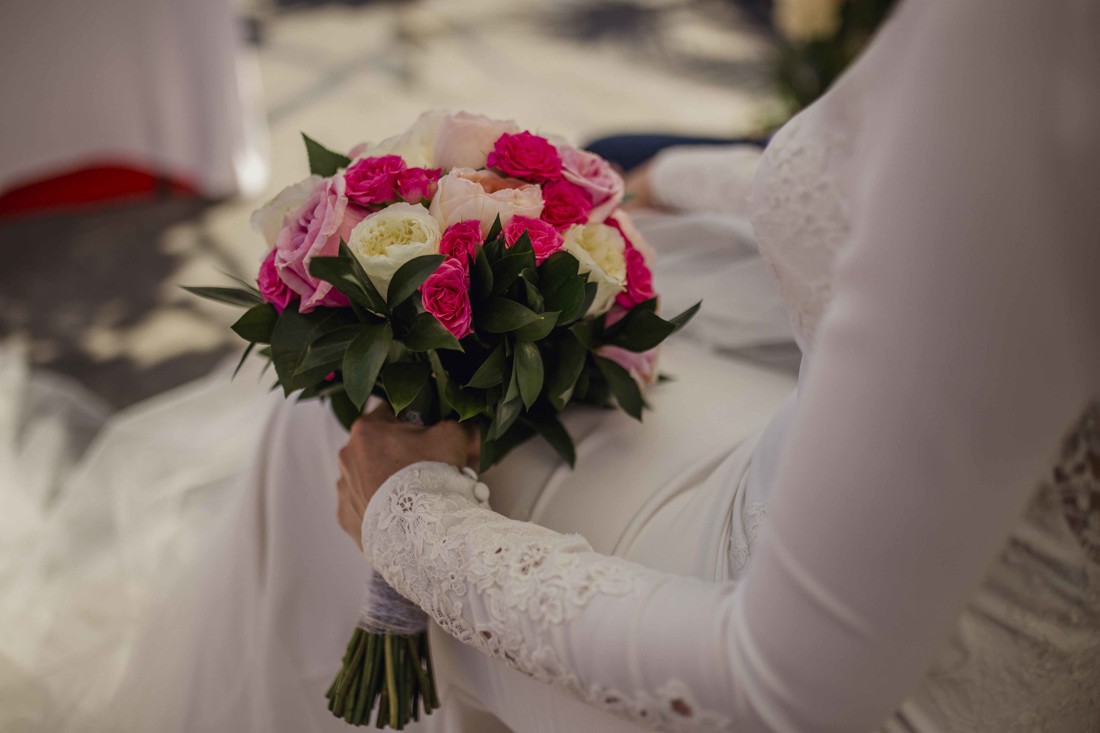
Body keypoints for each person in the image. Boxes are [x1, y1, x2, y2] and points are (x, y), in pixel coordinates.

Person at [328, 0, 1100, 730]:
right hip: (842, 446)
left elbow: (778, 687)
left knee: (333, 425)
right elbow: (929, 201)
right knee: (619, 169)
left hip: (777, 629)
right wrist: (678, 177)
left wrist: (414, 522)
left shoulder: (1033, 43)